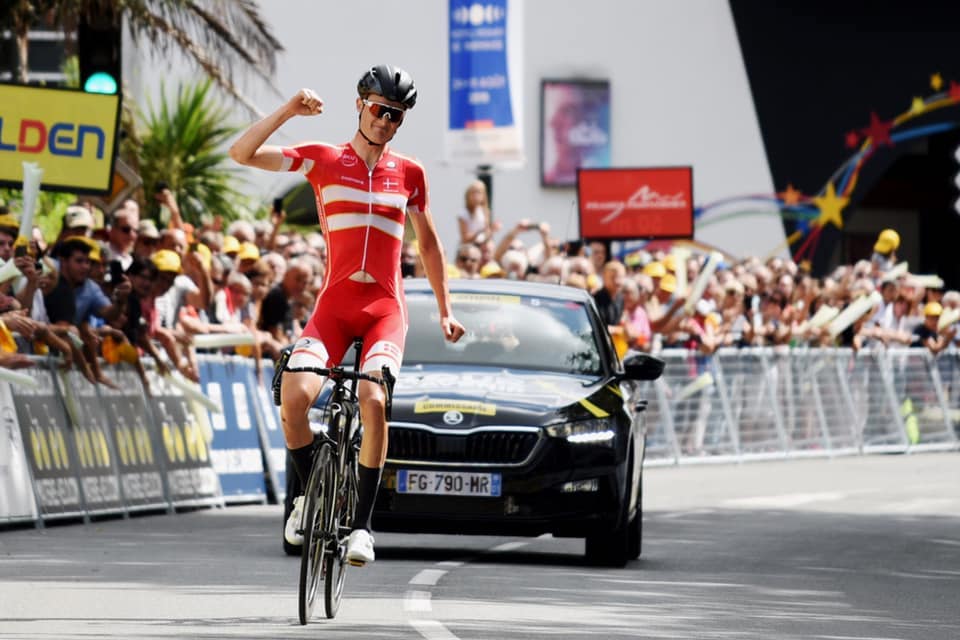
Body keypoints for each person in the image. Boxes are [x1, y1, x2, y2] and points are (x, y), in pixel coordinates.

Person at [229, 64, 465, 565]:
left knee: (373, 399)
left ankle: (362, 527)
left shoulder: (411, 172)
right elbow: (241, 153)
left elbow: (429, 244)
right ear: (360, 104)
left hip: (385, 309)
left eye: (396, 116)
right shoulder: (324, 159)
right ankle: (306, 494)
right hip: (335, 307)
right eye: (379, 110)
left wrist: (446, 310)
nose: (385, 121)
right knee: (294, 394)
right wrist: (290, 109)